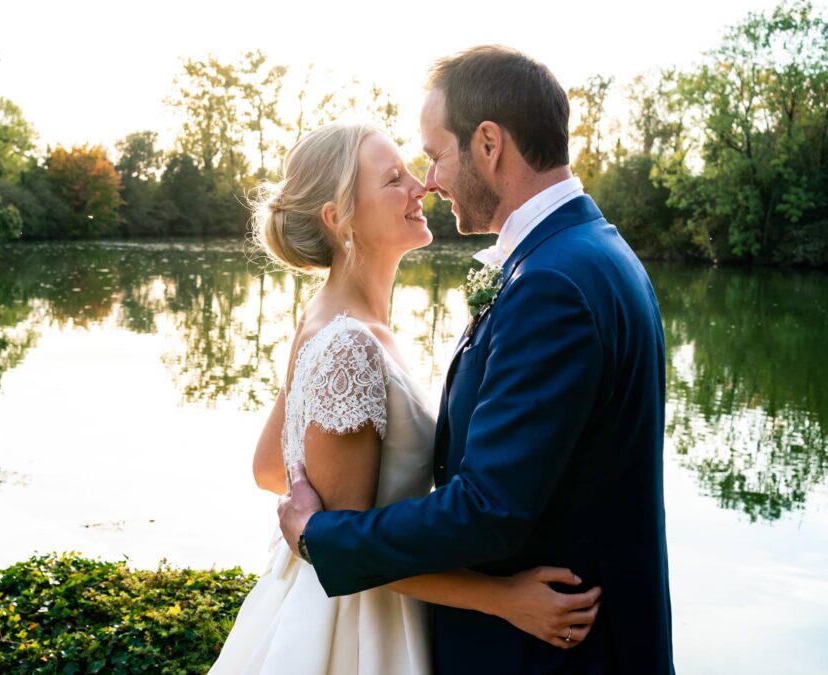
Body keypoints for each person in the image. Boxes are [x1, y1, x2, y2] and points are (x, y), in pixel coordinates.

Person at [278, 46, 675, 674]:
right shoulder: (587, 252)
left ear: (488, 144)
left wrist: (318, 538)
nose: (427, 182)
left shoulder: (553, 284)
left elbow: (488, 509)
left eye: (434, 155)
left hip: (556, 654)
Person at [209, 122, 601, 674]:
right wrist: (507, 599)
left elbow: (272, 467)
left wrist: (308, 514)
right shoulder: (348, 346)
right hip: (355, 630)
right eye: (394, 179)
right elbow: (344, 544)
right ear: (338, 218)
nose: (423, 186)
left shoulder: (328, 324)